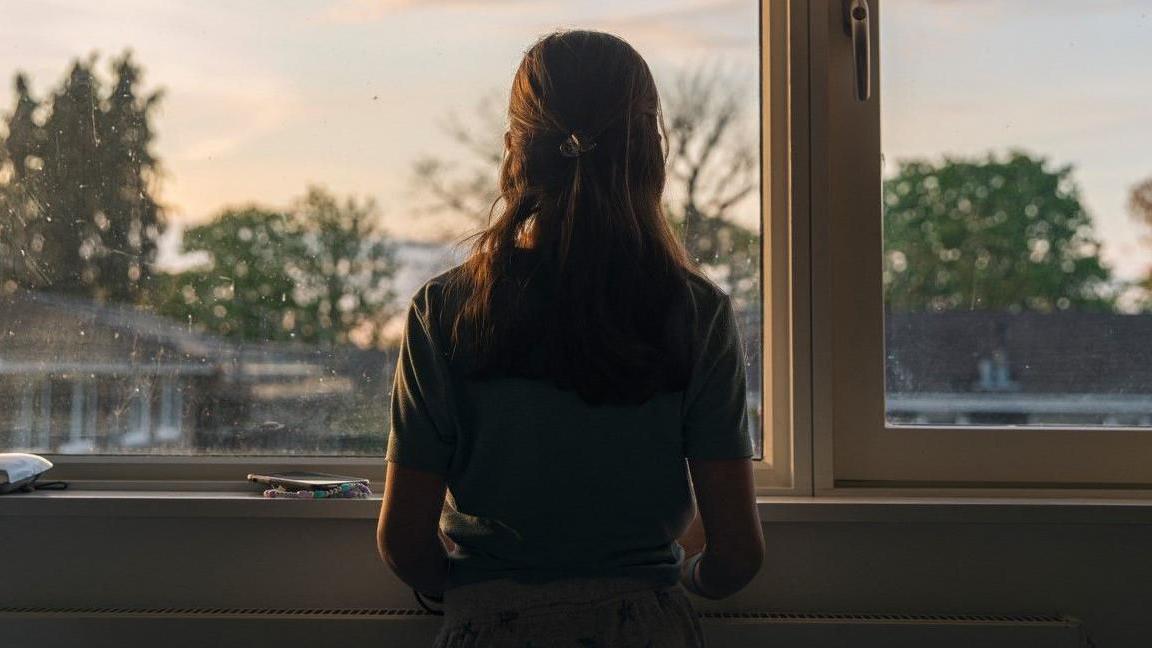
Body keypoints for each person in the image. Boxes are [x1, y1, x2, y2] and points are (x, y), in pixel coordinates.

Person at [376, 29, 764, 647]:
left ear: (514, 151)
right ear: (651, 155)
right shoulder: (695, 311)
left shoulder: (445, 307)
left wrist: (472, 589)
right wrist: (694, 577)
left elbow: (402, 544)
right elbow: (739, 555)